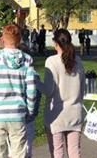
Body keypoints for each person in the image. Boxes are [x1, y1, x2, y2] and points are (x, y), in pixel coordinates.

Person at [0, 24, 36, 158]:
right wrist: (30, 110)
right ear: (19, 40)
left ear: (2, 39)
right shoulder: (27, 60)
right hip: (18, 113)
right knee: (19, 153)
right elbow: (31, 89)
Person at [36, 29, 85, 158]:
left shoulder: (51, 61)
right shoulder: (78, 61)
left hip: (56, 115)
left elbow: (48, 90)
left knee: (57, 152)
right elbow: (83, 89)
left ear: (55, 42)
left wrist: (36, 81)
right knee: (75, 152)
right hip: (75, 113)